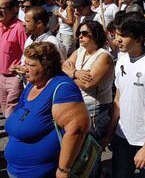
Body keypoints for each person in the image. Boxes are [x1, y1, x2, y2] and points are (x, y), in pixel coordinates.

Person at [101, 12, 145, 178]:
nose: (118, 39)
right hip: (123, 137)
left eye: (124, 35)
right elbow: (118, 99)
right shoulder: (121, 60)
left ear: (140, 37)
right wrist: (110, 133)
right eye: (117, 34)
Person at [5, 42, 90, 178]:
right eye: (25, 64)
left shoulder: (63, 88)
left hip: (42, 172)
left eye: (31, 65)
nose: (25, 69)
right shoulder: (34, 84)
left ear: (47, 66)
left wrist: (63, 169)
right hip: (17, 171)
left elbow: (77, 128)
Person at [62, 20, 114, 141]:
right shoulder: (80, 51)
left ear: (95, 34)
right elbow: (63, 67)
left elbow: (88, 84)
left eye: (85, 33)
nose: (80, 36)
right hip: (78, 106)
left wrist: (71, 74)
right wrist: (76, 73)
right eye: (79, 33)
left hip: (96, 110)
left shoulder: (103, 56)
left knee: (89, 152)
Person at [0, 0, 27, 117]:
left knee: (12, 111)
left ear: (12, 10)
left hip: (14, 78)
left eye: (2, 8)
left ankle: (14, 134)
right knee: (5, 109)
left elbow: (27, 53)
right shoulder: (0, 26)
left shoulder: (20, 28)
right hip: (1, 77)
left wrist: (19, 72)